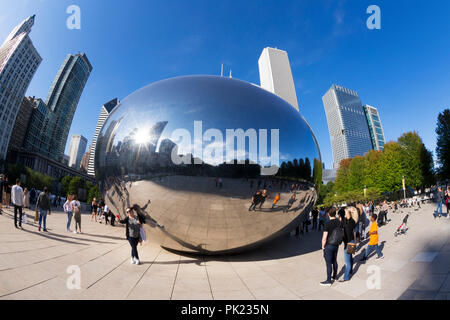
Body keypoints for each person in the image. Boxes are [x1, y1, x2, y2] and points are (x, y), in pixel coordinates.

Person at [320, 207, 342, 286]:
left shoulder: (327, 223)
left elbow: (324, 237)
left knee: (328, 263)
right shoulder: (339, 222)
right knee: (334, 260)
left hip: (329, 245)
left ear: (328, 214)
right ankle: (335, 276)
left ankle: (328, 281)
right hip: (336, 244)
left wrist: (322, 246)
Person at [341, 207, 357, 282]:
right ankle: (350, 271)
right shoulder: (350, 221)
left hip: (349, 242)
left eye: (347, 213)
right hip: (351, 241)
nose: (346, 213)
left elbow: (346, 216)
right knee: (350, 258)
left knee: (347, 262)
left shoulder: (350, 222)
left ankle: (346, 277)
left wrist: (348, 210)